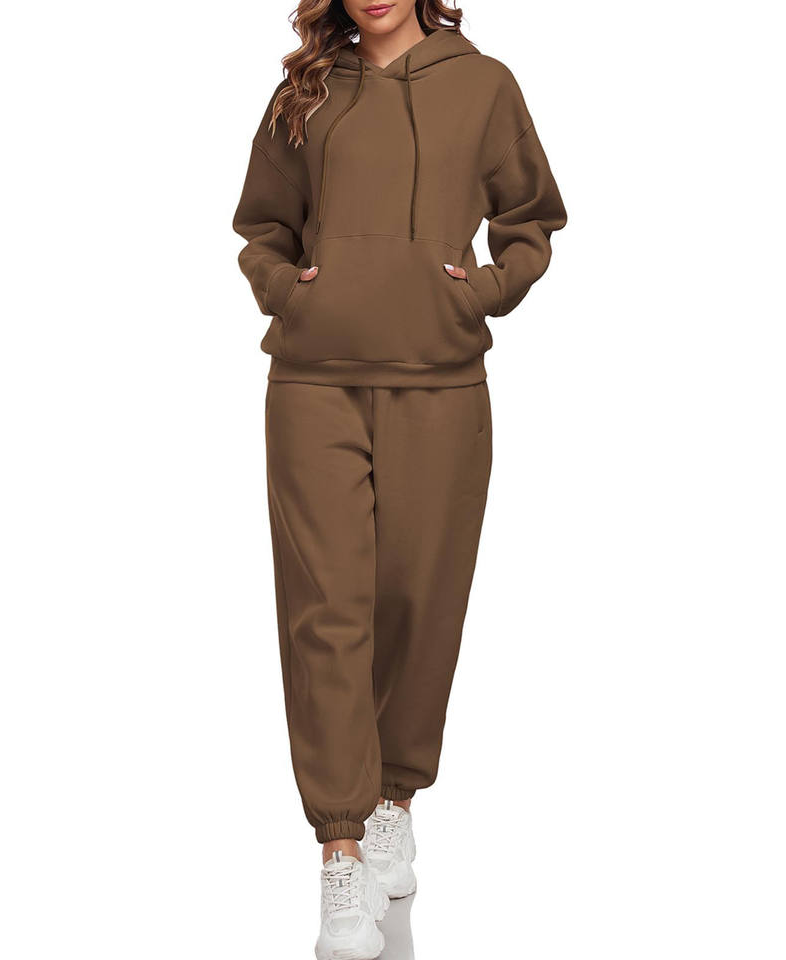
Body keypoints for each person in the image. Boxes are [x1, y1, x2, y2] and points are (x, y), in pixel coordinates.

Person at [233, 2, 565, 956]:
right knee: (326, 608)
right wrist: (285, 289)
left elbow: (532, 222)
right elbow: (261, 227)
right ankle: (340, 849)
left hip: (441, 382)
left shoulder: (485, 86)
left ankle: (392, 800)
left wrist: (484, 291)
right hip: (314, 382)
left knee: (421, 599)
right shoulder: (304, 93)